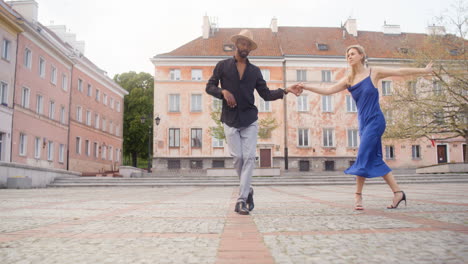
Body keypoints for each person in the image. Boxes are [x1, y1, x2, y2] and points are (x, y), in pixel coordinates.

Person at [297, 44, 433, 210]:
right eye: (347, 55)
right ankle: (398, 192)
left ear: (361, 55)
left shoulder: (373, 72)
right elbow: (328, 90)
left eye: (352, 54)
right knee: (374, 158)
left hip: (375, 120)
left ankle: (358, 196)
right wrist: (306, 86)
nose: (349, 57)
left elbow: (400, 72)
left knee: (362, 155)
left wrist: (423, 71)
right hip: (362, 122)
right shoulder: (349, 79)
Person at [206, 29, 302, 215]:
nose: (245, 48)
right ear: (237, 44)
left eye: (248, 45)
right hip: (229, 119)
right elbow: (209, 87)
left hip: (250, 119)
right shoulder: (222, 66)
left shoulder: (254, 71)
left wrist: (286, 90)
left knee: (249, 158)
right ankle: (248, 189)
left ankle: (241, 200)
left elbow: (266, 94)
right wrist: (223, 92)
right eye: (243, 44)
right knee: (238, 158)